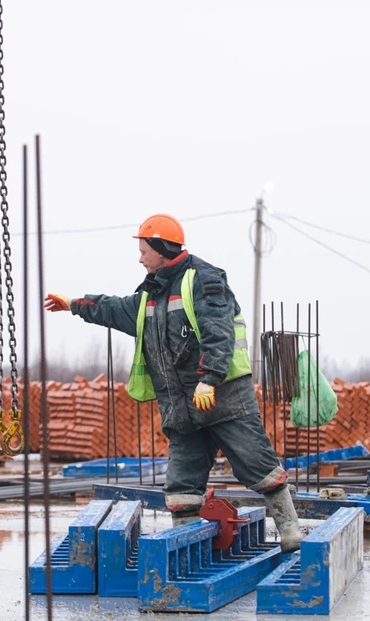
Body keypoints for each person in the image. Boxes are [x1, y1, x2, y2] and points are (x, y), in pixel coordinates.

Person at [43, 213, 302, 552]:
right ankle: (189, 549)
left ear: (161, 248)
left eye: (143, 250)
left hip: (223, 399)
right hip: (182, 408)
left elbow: (218, 333)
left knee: (257, 464)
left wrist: (209, 379)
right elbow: (114, 308)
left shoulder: (203, 279)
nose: (139, 257)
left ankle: (290, 530)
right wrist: (74, 305)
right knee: (181, 487)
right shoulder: (150, 296)